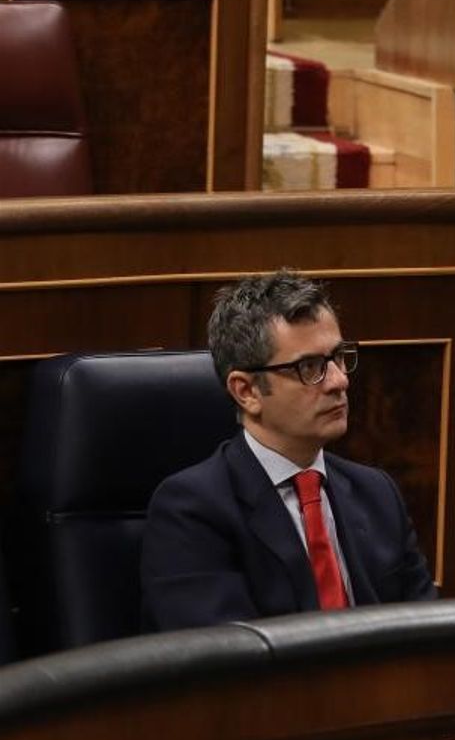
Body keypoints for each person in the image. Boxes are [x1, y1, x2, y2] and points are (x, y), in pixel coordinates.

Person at [142, 270, 435, 631]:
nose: (339, 381)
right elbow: (224, 666)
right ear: (246, 391)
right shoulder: (192, 510)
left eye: (339, 357)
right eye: (309, 367)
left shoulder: (376, 494)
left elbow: (427, 635)